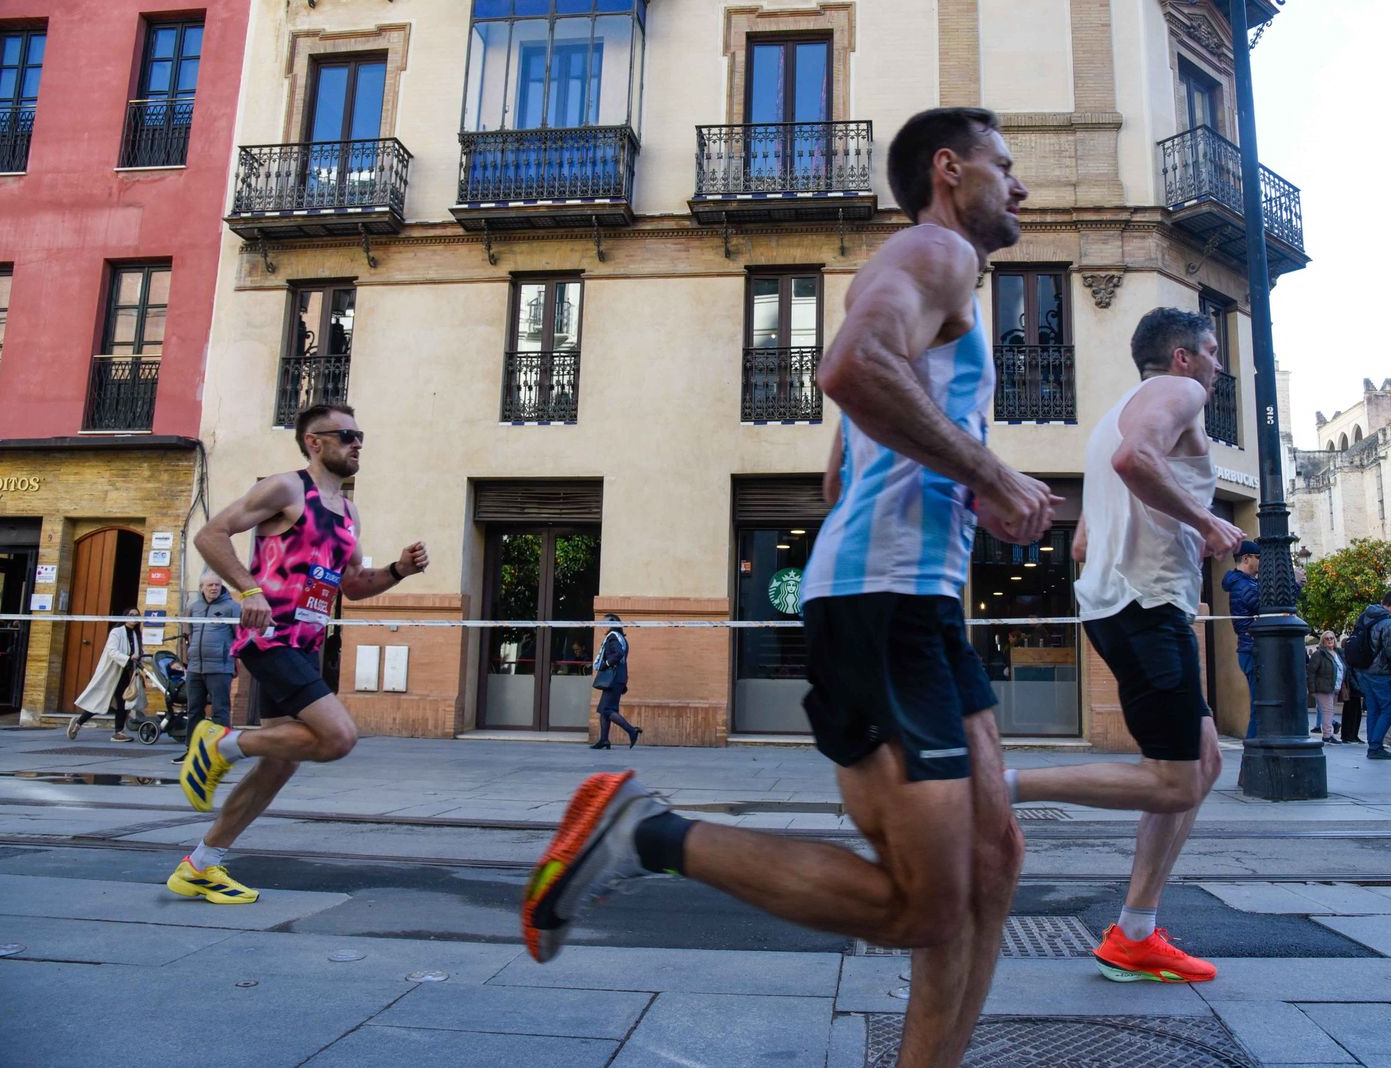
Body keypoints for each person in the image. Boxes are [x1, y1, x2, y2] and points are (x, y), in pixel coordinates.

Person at [523, 107, 1061, 1065]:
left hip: (917, 599)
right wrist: (986, 472)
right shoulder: (939, 253)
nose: (1020, 186)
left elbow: (843, 472)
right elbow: (848, 368)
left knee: (996, 858)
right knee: (922, 905)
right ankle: (644, 832)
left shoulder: (922, 278)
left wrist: (963, 487)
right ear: (949, 171)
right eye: (1004, 167)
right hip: (881, 603)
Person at [1002, 306, 1243, 986]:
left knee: (1203, 760)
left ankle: (1137, 930)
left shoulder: (1118, 409)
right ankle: (999, 788)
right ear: (1183, 358)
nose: (1219, 366)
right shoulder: (1179, 394)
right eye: (1211, 352)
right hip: (1146, 605)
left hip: (1127, 602)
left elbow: (1081, 540)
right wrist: (1205, 523)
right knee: (1174, 780)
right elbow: (1133, 460)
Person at [170, 403, 428, 905]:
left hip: (306, 645)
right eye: (347, 435)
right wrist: (248, 591)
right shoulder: (287, 488)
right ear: (315, 441)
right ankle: (218, 744)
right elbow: (210, 535)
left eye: (361, 436)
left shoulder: (349, 512)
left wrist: (398, 571)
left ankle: (201, 864)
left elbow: (352, 586)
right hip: (270, 639)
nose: (357, 444)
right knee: (338, 738)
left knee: (282, 761)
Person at [173, 570, 240, 763]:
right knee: (194, 710)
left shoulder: (232, 607)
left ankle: (221, 753)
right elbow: (189, 635)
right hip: (195, 668)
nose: (213, 588)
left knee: (220, 710)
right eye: (209, 585)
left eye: (217, 585)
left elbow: (239, 636)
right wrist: (188, 659)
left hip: (220, 668)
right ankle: (191, 750)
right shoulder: (194, 608)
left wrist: (232, 658)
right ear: (202, 587)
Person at [67, 608, 145, 742]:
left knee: (123, 701)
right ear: (124, 617)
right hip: (112, 672)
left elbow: (139, 652)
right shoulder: (116, 632)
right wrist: (128, 658)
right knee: (100, 700)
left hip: (126, 673)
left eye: (137, 615)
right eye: (131, 615)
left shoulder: (136, 634)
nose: (134, 617)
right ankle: (78, 723)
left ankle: (118, 732)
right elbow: (112, 651)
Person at [1353, 590, 1391, 759]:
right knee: (1388, 709)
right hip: (1379, 671)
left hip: (1363, 669)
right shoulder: (1387, 623)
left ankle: (1373, 745)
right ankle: (1375, 745)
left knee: (1373, 709)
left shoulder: (1365, 616)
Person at [1221, 540, 1261, 739]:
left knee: (1261, 704)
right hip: (1252, 649)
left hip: (1251, 648)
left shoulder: (1247, 583)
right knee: (1260, 705)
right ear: (1246, 559)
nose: (1262, 562)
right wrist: (1294, 585)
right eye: (1258, 558)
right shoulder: (1242, 585)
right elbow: (1265, 605)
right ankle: (1253, 753)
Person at [590, 614, 640, 750]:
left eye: (605, 623)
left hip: (613, 678)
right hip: (618, 678)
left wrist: (605, 663)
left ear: (612, 624)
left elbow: (617, 654)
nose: (603, 626)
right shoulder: (622, 638)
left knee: (607, 709)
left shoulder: (613, 637)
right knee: (604, 709)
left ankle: (631, 730)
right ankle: (604, 740)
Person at [1306, 631, 1345, 743]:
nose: (1329, 640)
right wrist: (1312, 689)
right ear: (1322, 640)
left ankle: (1328, 733)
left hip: (1334, 687)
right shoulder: (1319, 654)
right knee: (1327, 711)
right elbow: (1311, 672)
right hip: (1323, 687)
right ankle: (1327, 735)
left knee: (1329, 710)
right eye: (1327, 638)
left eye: (1332, 638)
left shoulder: (1336, 653)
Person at [1339, 667, 1364, 743]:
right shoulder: (1351, 664)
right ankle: (1348, 735)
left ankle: (1353, 735)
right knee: (1351, 713)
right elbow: (1350, 677)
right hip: (1352, 691)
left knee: (1356, 714)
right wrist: (1358, 688)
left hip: (1354, 690)